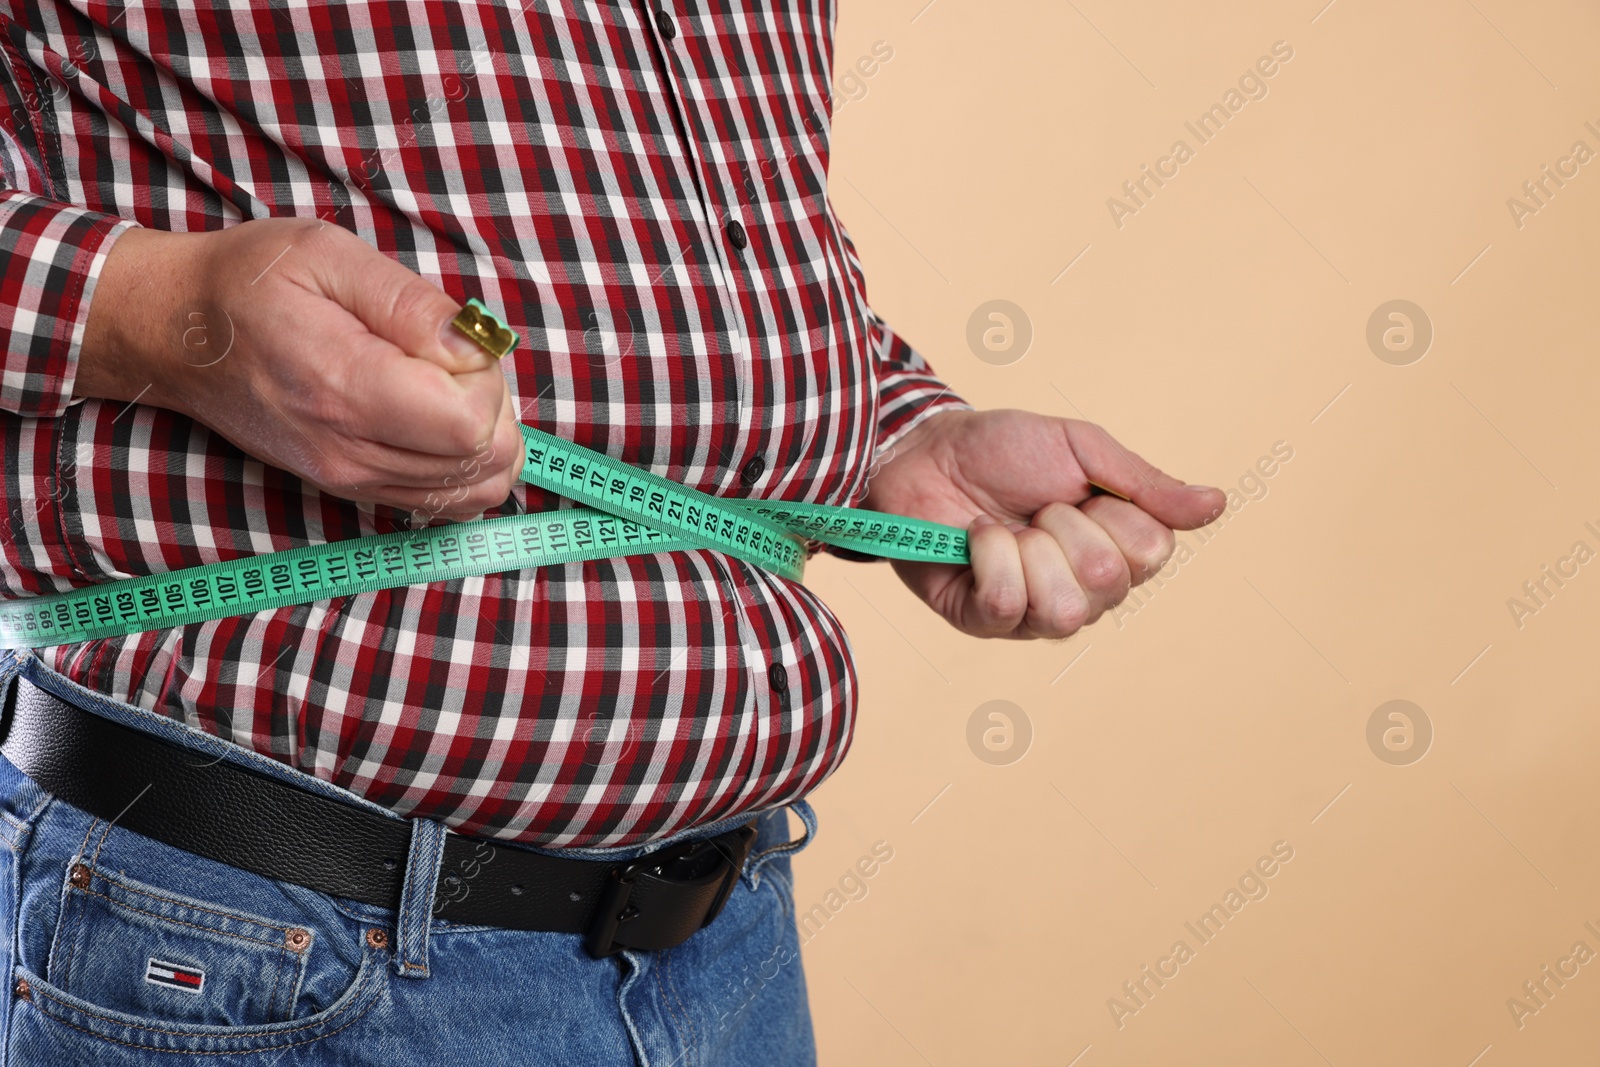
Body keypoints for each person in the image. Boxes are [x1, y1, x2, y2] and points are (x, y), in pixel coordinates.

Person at [0, 2, 1224, 1063]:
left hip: (731, 940)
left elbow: (682, 235)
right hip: (269, 944)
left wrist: (889, 431)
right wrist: (165, 315)